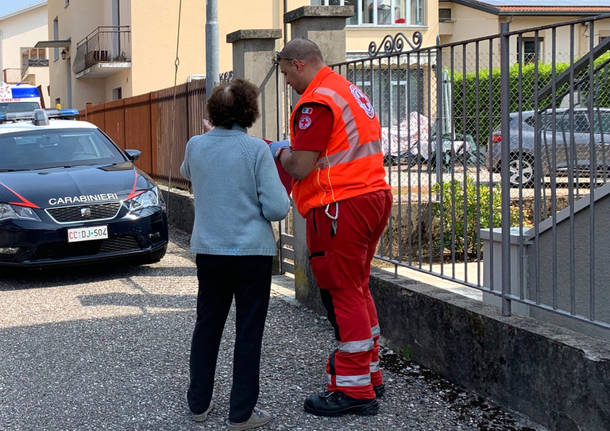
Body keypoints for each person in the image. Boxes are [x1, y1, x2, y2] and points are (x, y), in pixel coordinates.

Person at [270, 39, 393, 417]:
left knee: (343, 292)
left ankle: (355, 392)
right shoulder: (348, 90)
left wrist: (279, 151)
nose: (287, 81)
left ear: (299, 64)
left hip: (339, 205)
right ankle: (369, 374)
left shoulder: (317, 100)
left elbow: (301, 166)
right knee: (357, 288)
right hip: (370, 196)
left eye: (286, 73)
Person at [180, 78, 290, 429]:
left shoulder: (195, 145)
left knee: (207, 325)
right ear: (249, 111)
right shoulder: (255, 149)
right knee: (248, 331)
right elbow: (276, 208)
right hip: (251, 254)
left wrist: (209, 136)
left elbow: (187, 172)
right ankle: (241, 413)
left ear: (212, 111)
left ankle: (198, 403)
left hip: (209, 252)